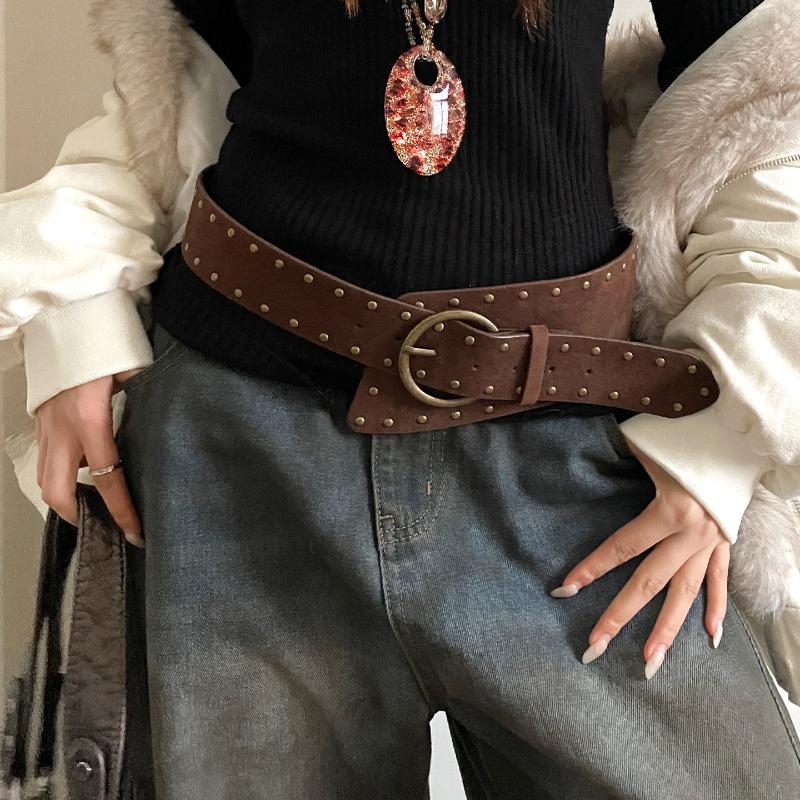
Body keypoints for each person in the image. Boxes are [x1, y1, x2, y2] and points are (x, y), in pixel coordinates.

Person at [1, 0, 799, 797]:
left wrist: (723, 442)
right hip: (240, 455)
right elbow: (177, 84)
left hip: (576, 451)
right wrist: (74, 321)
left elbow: (767, 102)